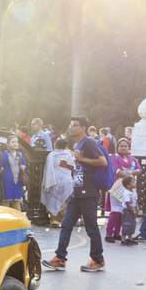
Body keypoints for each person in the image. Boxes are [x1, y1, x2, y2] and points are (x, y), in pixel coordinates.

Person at [42, 116, 108, 272]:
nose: (70, 128)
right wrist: (70, 166)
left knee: (91, 229)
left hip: (89, 194)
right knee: (66, 225)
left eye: (74, 125)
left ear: (83, 128)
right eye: (70, 125)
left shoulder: (89, 143)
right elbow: (83, 169)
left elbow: (103, 161)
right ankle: (60, 258)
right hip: (76, 192)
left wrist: (82, 158)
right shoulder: (78, 144)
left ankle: (98, 260)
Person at [104, 138, 142, 242]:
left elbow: (139, 170)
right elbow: (117, 171)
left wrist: (127, 173)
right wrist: (130, 175)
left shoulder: (133, 159)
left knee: (123, 212)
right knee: (115, 211)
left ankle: (116, 233)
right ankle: (108, 234)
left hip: (128, 189)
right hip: (117, 188)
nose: (123, 148)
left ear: (128, 148)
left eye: (125, 146)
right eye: (121, 146)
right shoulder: (113, 157)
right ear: (117, 148)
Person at [41, 138, 74, 227]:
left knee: (54, 200)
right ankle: (63, 220)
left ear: (56, 146)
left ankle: (54, 220)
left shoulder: (51, 155)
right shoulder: (69, 154)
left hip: (55, 181)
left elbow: (48, 170)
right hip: (67, 182)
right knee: (65, 201)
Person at [0, 134, 26, 211]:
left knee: (16, 201)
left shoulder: (20, 154)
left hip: (18, 180)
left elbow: (24, 164)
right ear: (7, 144)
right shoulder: (4, 154)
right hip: (7, 180)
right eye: (12, 142)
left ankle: (19, 220)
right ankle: (4, 219)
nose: (15, 144)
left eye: (16, 142)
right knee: (6, 200)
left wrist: (23, 167)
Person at [119, 176, 139, 246]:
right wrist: (133, 211)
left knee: (132, 224)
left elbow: (136, 200)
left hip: (132, 210)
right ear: (128, 185)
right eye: (133, 182)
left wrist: (137, 207)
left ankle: (130, 238)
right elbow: (127, 203)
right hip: (127, 211)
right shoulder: (127, 193)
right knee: (126, 224)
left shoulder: (134, 191)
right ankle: (123, 239)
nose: (135, 183)